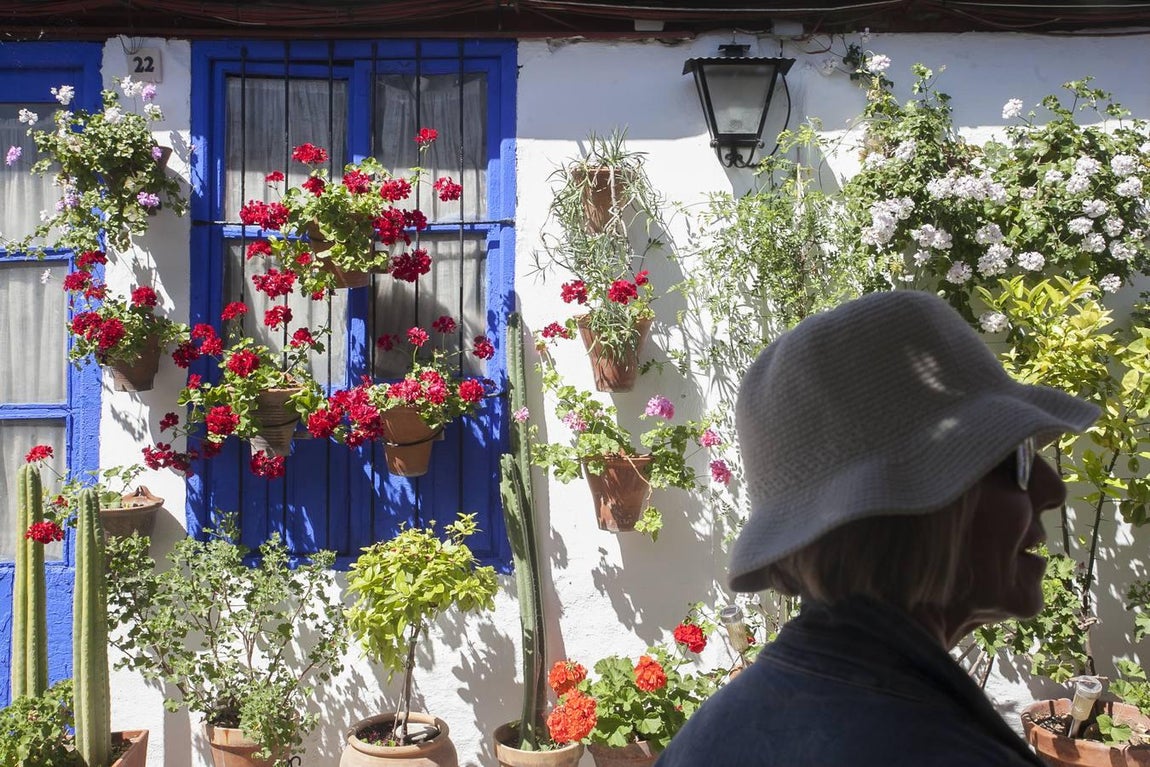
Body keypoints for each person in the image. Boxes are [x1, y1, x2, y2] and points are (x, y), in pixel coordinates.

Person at [654, 290, 1098, 767]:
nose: (1052, 490)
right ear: (902, 509)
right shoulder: (937, 751)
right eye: (1015, 460)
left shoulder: (714, 733)